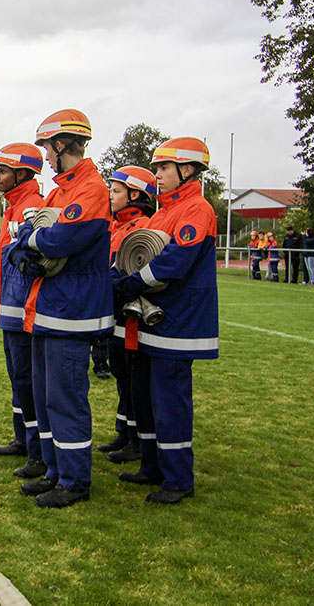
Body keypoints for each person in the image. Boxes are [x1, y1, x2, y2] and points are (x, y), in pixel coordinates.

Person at [15, 109, 113, 508]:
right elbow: (33, 229)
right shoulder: (61, 190)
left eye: (46, 148)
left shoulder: (90, 189)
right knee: (48, 400)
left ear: (60, 145)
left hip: (72, 314)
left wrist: (30, 240)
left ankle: (74, 482)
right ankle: (55, 472)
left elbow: (59, 239)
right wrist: (31, 238)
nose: (45, 156)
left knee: (66, 402)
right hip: (49, 310)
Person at [113, 137, 219, 504]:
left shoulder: (197, 210)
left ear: (186, 170)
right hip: (152, 324)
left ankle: (178, 480)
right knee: (145, 400)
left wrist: (129, 284)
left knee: (170, 404)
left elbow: (173, 262)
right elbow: (136, 255)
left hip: (178, 325)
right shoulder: (163, 212)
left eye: (163, 167)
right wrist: (118, 277)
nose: (157, 174)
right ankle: (152, 466)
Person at [0, 142, 46, 480]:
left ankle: (37, 452)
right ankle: (23, 438)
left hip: (24, 313)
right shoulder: (15, 207)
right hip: (10, 311)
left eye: (2, 171)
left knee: (27, 381)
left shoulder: (30, 208)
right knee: (18, 380)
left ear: (22, 173)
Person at [100, 166, 157, 465]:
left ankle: (136, 439)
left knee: (133, 377)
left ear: (135, 195)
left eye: (116, 190)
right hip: (115, 313)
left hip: (132, 316)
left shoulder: (143, 227)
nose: (110, 195)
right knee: (121, 374)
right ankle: (124, 431)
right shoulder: (116, 225)